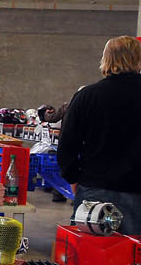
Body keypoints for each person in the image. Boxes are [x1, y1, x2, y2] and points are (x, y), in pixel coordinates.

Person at [58, 36, 141, 234]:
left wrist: (73, 177)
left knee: (90, 249)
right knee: (135, 250)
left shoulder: (87, 96)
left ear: (106, 59)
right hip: (137, 190)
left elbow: (67, 145)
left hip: (94, 189)